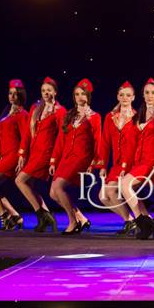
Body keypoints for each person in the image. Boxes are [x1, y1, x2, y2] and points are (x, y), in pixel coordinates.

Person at [120, 78, 154, 240]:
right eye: (147, 93)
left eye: (153, 93)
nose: (150, 96)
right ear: (142, 95)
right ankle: (150, 222)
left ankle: (143, 223)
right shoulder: (139, 115)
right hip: (140, 160)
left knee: (125, 185)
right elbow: (131, 140)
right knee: (130, 190)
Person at [49, 79, 100, 234]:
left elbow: (98, 140)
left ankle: (73, 221)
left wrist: (94, 161)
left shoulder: (94, 116)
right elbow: (60, 139)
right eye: (77, 94)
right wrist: (53, 160)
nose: (79, 97)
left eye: (83, 94)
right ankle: (81, 218)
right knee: (53, 193)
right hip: (66, 157)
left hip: (81, 157)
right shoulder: (69, 115)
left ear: (88, 96)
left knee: (59, 187)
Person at [16, 77, 65, 232]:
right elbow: (27, 133)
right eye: (43, 90)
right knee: (29, 185)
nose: (46, 93)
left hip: (46, 153)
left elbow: (61, 137)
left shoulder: (59, 111)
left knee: (20, 180)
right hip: (33, 152)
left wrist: (54, 159)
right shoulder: (35, 107)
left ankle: (43, 215)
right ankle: (44, 218)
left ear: (55, 92)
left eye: (49, 90)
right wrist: (22, 153)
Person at [96, 81, 140, 236]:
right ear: (117, 97)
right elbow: (105, 142)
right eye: (122, 95)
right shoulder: (110, 117)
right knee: (103, 197)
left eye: (128, 95)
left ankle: (134, 221)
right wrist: (102, 165)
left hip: (131, 163)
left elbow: (137, 144)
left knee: (110, 192)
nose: (125, 98)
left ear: (133, 97)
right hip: (116, 163)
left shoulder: (137, 117)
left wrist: (126, 167)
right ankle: (130, 221)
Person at [0, 79, 28, 230]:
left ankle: (4, 216)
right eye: (10, 93)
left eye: (15, 94)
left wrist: (22, 155)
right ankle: (15, 216)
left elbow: (25, 137)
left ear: (20, 96)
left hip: (13, 155)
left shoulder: (23, 114)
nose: (12, 96)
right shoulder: (7, 112)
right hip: (3, 155)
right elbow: (1, 137)